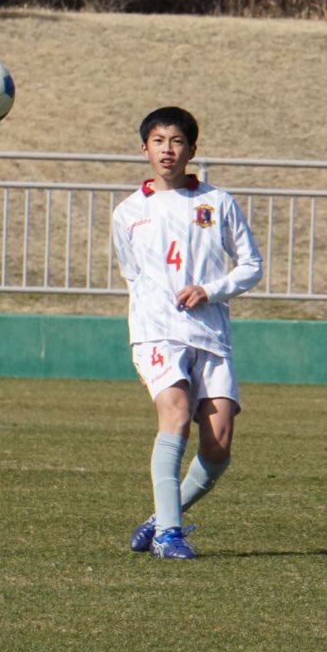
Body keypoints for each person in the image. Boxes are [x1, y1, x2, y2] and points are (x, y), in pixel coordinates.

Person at [111, 107, 262, 560]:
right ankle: (169, 535)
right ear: (144, 149)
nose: (167, 150)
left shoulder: (217, 203)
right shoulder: (128, 213)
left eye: (177, 142)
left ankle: (161, 516)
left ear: (192, 150)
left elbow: (251, 265)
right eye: (158, 141)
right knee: (174, 412)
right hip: (157, 333)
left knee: (218, 446)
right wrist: (146, 333)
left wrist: (210, 290)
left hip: (209, 334)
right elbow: (133, 276)